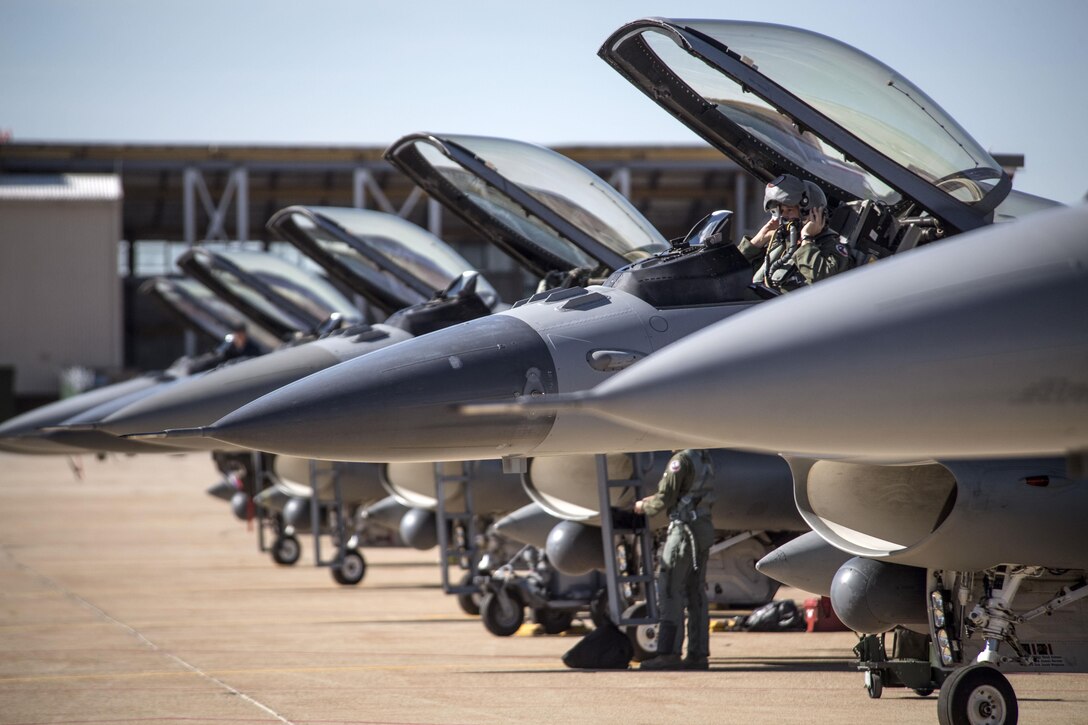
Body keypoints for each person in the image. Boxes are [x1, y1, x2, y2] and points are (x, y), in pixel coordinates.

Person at [634, 449, 716, 670]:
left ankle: (668, 653)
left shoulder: (679, 460)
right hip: (703, 529)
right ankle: (698, 655)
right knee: (695, 592)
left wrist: (644, 506)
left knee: (670, 589)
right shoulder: (703, 457)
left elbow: (666, 497)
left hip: (684, 533)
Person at [738, 173, 850, 292]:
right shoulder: (783, 244)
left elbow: (824, 282)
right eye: (781, 211)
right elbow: (734, 275)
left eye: (790, 210)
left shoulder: (831, 246)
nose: (785, 216)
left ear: (812, 212)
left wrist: (806, 238)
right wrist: (758, 241)